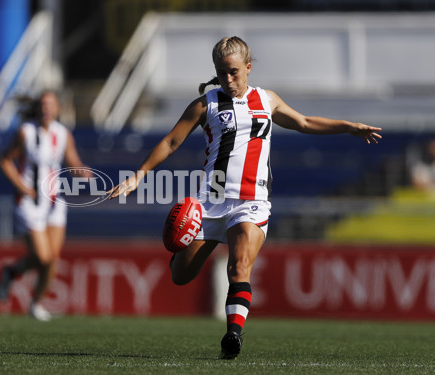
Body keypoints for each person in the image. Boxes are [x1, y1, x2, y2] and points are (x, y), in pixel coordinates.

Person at [107, 36, 382, 359]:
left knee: (239, 268)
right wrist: (138, 176)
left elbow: (304, 122)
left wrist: (346, 127)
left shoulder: (266, 100)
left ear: (248, 68)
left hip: (251, 201)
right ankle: (180, 257)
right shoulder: (205, 104)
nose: (228, 79)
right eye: (222, 72)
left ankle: (233, 335)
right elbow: (170, 143)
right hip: (209, 201)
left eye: (234, 71)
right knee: (180, 277)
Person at [0, 91, 91, 321]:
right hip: (30, 202)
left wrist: (81, 171)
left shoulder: (63, 133)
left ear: (58, 108)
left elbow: (71, 160)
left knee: (52, 259)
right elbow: (5, 160)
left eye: (51, 104)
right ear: (38, 108)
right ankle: (12, 271)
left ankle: (36, 303)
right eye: (43, 104)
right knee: (44, 256)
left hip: (55, 201)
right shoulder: (26, 132)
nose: (46, 108)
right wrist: (21, 186)